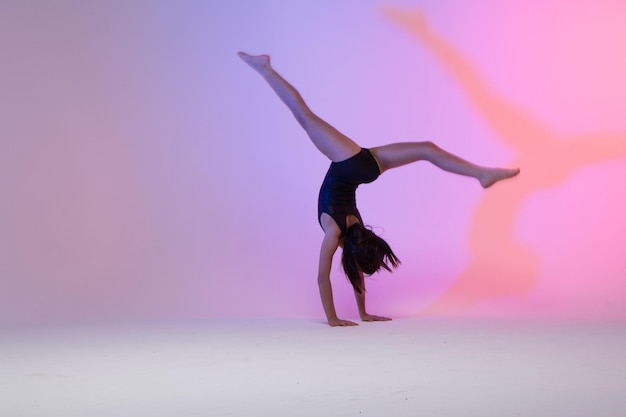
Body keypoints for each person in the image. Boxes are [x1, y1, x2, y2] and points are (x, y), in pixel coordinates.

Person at [237, 52, 519, 327]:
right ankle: (264, 68)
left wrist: (358, 315)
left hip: (367, 167)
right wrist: (339, 318)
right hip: (349, 163)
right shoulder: (335, 234)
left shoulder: (353, 229)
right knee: (303, 115)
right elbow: (323, 277)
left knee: (426, 149)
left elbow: (347, 272)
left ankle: (481, 173)